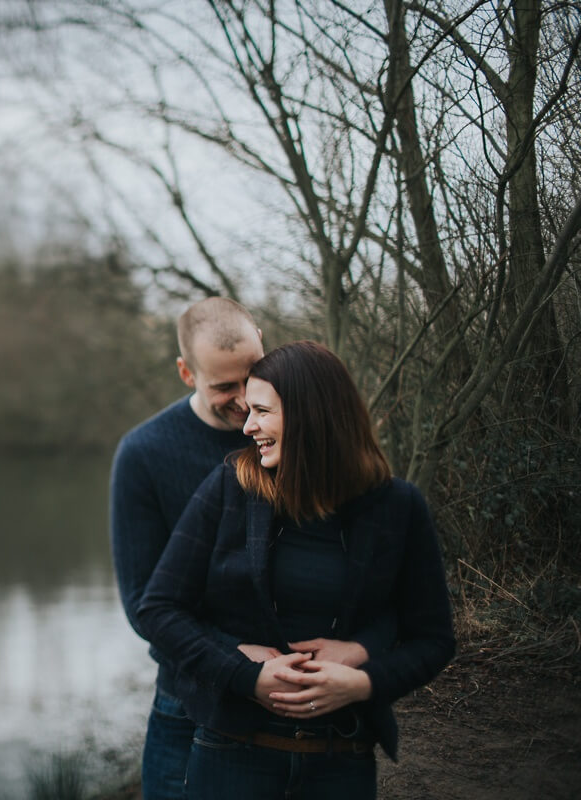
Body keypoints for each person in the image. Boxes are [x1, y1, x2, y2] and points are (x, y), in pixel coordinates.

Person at [137, 341, 456, 800]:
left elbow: (433, 639)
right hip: (232, 757)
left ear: (311, 414)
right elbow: (159, 611)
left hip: (341, 760)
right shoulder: (229, 488)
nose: (248, 427)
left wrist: (363, 682)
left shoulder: (397, 507)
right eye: (248, 411)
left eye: (262, 411)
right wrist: (244, 674)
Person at [110, 300, 391, 799]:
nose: (243, 402)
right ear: (185, 372)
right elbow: (142, 604)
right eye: (223, 387)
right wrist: (236, 662)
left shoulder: (306, 437)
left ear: (263, 343)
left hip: (304, 701)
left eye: (252, 375)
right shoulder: (143, 454)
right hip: (189, 695)